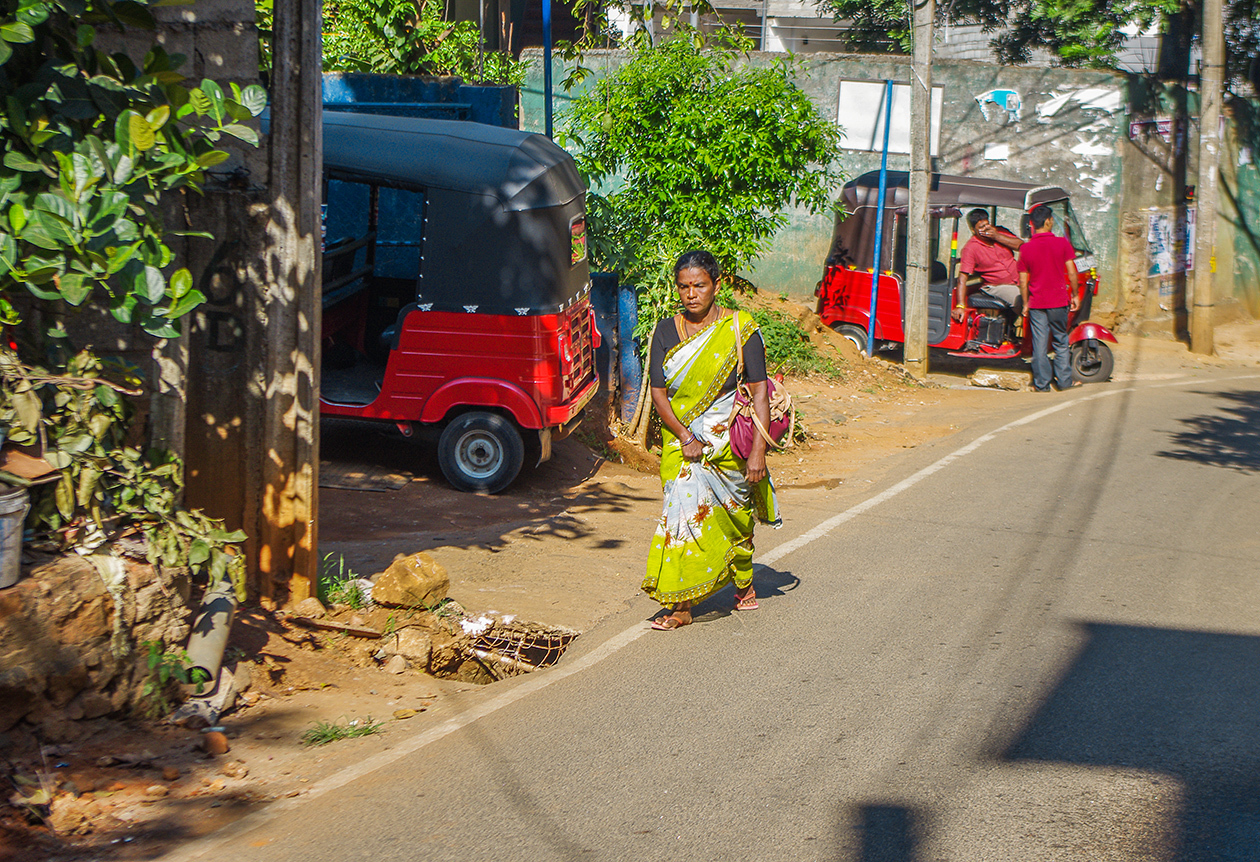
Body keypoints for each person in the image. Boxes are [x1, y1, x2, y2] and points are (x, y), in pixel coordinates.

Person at [642, 250, 781, 630]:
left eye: (699, 285)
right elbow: (658, 392)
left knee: (735, 517)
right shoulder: (666, 331)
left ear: (716, 286)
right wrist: (685, 435)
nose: (691, 294)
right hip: (681, 442)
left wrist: (758, 452)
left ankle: (743, 581)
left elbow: (759, 392)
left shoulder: (741, 328)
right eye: (684, 287)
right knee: (682, 517)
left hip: (729, 443)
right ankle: (682, 605)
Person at [1017, 204, 1080, 392]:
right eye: (1052, 219)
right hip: (1059, 302)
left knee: (1039, 344)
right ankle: (1064, 383)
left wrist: (1026, 302)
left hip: (1037, 303)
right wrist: (1075, 294)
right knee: (1060, 341)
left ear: (1032, 224)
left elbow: (1022, 280)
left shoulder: (1026, 249)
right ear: (1048, 221)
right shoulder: (1062, 244)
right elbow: (1072, 272)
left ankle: (1042, 385)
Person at [952, 208, 1024, 322]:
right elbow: (962, 278)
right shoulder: (970, 248)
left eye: (987, 225)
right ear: (973, 230)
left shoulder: (1000, 232)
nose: (985, 229)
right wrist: (960, 305)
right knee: (1023, 299)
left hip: (1019, 280)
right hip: (996, 286)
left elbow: (1021, 246)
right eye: (981, 228)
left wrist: (996, 236)